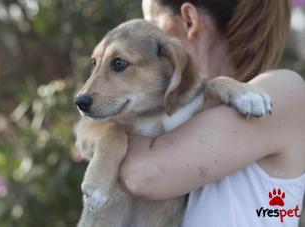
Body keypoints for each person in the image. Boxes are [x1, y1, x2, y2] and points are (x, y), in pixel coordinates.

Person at [78, 0, 305, 226]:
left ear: (189, 21)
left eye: (150, 23)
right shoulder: (182, 110)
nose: (139, 31)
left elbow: (143, 175)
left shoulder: (285, 91)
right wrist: (109, 137)